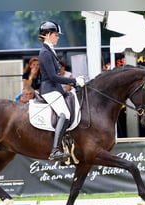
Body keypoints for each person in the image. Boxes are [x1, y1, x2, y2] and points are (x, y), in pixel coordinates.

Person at [37, 20, 85, 161]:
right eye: (55, 35)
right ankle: (55, 150)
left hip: (56, 89)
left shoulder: (50, 50)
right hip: (49, 90)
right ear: (47, 35)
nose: (58, 37)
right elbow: (53, 76)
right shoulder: (45, 52)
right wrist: (74, 80)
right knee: (64, 114)